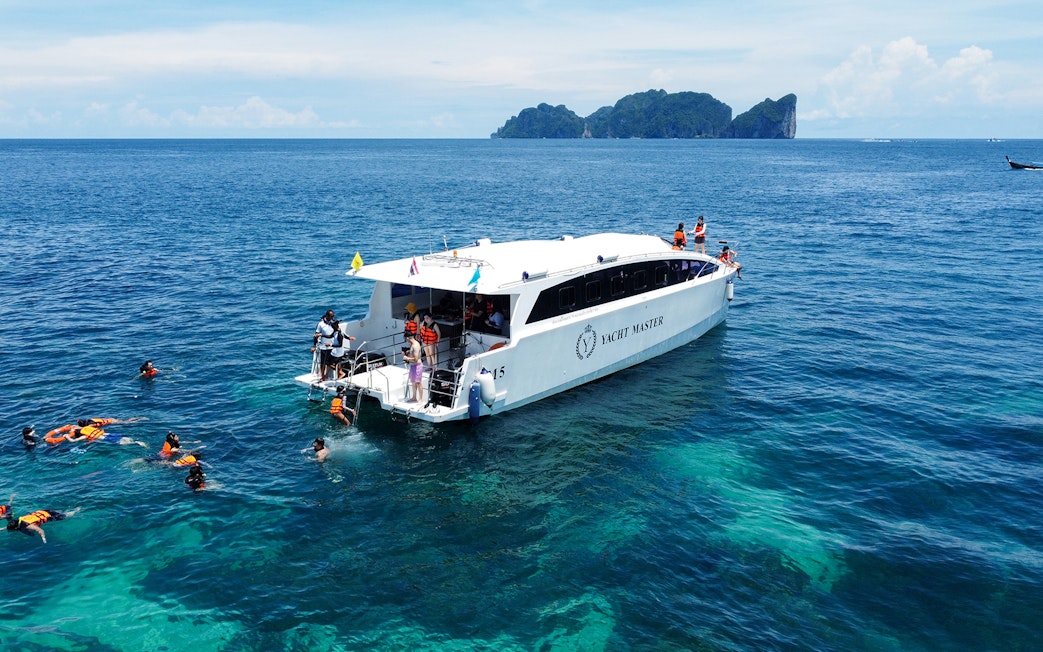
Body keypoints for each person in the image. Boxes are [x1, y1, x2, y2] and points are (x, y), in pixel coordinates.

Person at [6, 507, 78, 544]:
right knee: (59, 512)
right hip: (43, 511)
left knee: (66, 516)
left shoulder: (28, 526)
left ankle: (77, 510)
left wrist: (43, 538)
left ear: (15, 528)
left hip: (49, 516)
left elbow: (40, 530)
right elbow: (7, 527)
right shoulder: (18, 520)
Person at [311, 309, 337, 383]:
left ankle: (325, 375)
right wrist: (314, 346)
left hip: (332, 345)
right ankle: (322, 376)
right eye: (331, 316)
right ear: (327, 316)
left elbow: (334, 334)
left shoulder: (333, 323)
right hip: (324, 346)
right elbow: (316, 335)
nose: (332, 318)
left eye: (333, 316)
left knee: (330, 362)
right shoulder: (320, 324)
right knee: (323, 362)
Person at [404, 332, 424, 404]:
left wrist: (407, 358)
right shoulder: (412, 344)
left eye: (406, 339)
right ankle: (414, 397)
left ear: (408, 338)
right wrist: (408, 352)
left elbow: (416, 359)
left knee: (418, 383)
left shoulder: (415, 345)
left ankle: (420, 399)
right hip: (413, 366)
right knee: (413, 382)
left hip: (417, 366)